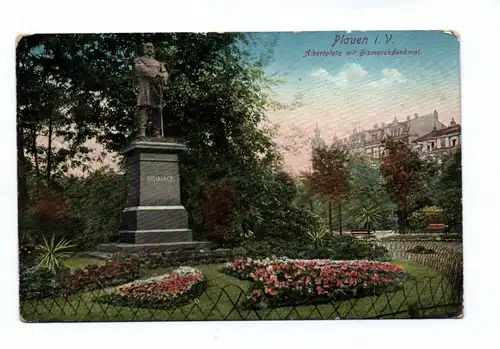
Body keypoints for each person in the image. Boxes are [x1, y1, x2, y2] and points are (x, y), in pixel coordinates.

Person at [135, 42, 169, 138]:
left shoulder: (159, 63)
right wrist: (157, 74)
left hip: (157, 87)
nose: (150, 49)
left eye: (151, 47)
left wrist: (164, 76)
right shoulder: (139, 60)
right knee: (144, 108)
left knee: (157, 109)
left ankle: (156, 131)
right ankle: (142, 131)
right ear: (144, 49)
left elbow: (165, 73)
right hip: (145, 86)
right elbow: (142, 69)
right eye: (147, 47)